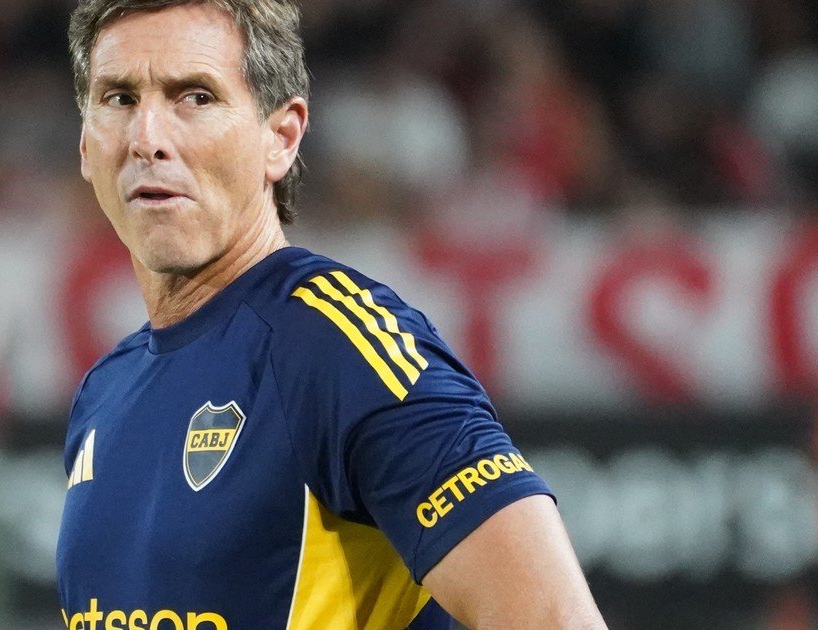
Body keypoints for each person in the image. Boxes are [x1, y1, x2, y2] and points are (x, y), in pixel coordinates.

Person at [56, 1, 607, 628]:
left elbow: (556, 618)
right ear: (85, 144)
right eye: (119, 98)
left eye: (196, 97)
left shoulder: (337, 347)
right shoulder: (105, 391)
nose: (147, 138)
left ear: (281, 138)